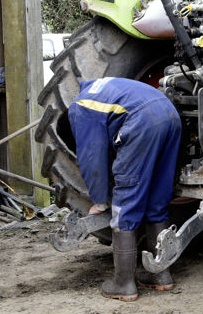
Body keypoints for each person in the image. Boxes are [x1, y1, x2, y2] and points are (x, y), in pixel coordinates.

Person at [68, 77, 182, 302]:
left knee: (127, 200)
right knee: (156, 201)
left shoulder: (80, 106)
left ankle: (123, 284)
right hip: (170, 114)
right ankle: (160, 275)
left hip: (141, 121)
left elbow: (92, 157)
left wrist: (100, 202)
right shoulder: (109, 88)